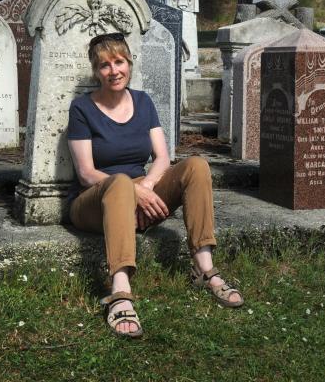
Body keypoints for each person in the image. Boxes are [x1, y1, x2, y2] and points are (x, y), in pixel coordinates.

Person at [67, 32, 243, 339]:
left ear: (129, 63)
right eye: (105, 65)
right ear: (96, 71)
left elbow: (162, 158)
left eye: (119, 62)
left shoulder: (144, 102)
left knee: (197, 165)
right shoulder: (82, 108)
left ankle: (204, 268)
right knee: (120, 182)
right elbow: (85, 172)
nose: (114, 71)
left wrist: (145, 186)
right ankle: (120, 290)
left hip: (139, 193)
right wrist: (133, 190)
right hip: (94, 201)